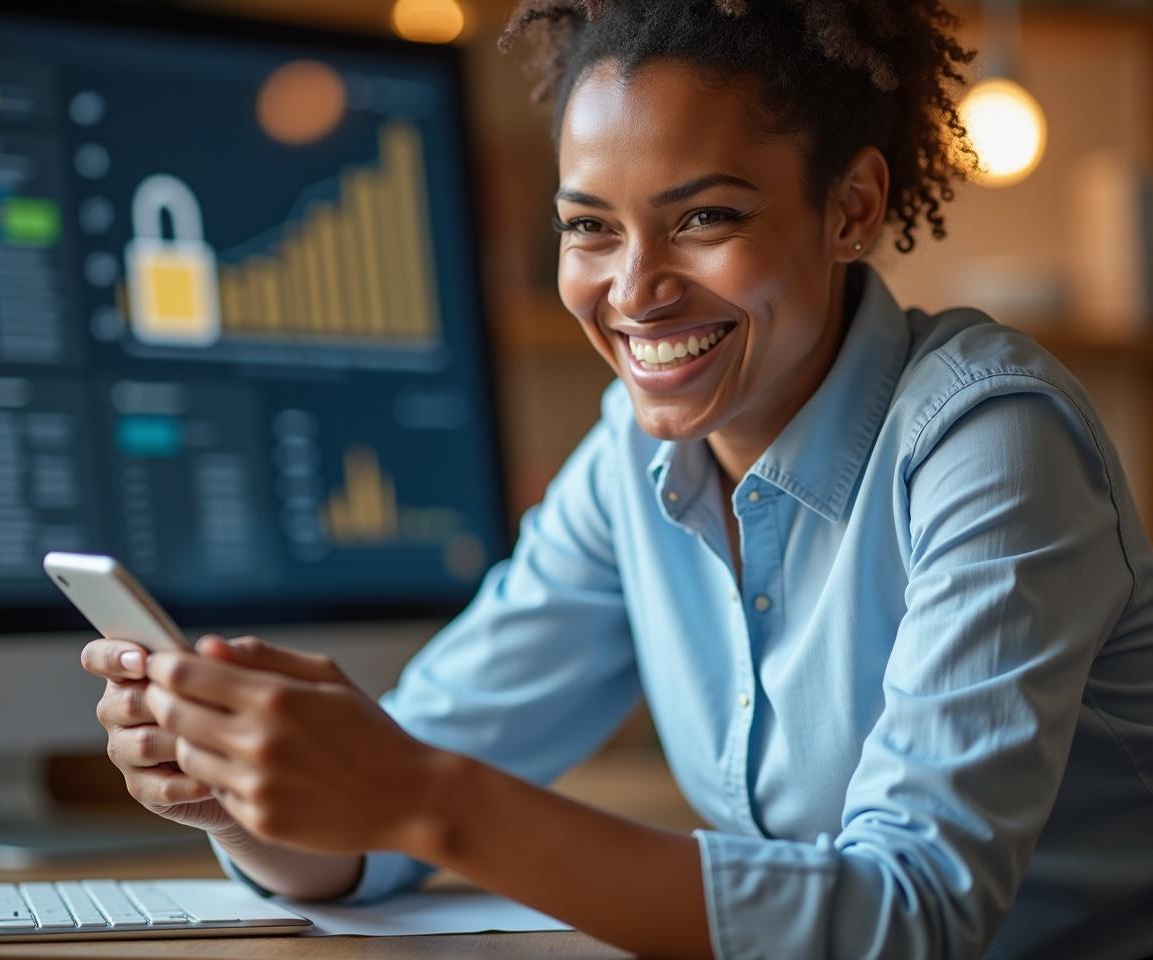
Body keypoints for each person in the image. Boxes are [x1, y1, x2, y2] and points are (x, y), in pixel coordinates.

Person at [81, 1, 1153, 957]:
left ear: (852, 207)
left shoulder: (990, 444)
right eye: (588, 227)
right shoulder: (628, 459)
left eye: (704, 217)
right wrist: (248, 792)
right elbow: (386, 823)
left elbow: (908, 917)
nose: (632, 292)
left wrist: (414, 796)